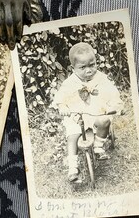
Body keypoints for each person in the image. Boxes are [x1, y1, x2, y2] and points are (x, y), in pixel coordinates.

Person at [52, 42, 123, 182]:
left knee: (105, 121)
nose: (89, 70)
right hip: (77, 114)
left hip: (95, 112)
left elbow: (112, 92)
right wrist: (63, 107)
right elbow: (60, 97)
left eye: (92, 65)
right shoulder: (69, 83)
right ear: (73, 68)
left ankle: (98, 145)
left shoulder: (101, 78)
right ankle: (73, 166)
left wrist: (115, 104)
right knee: (72, 135)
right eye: (83, 67)